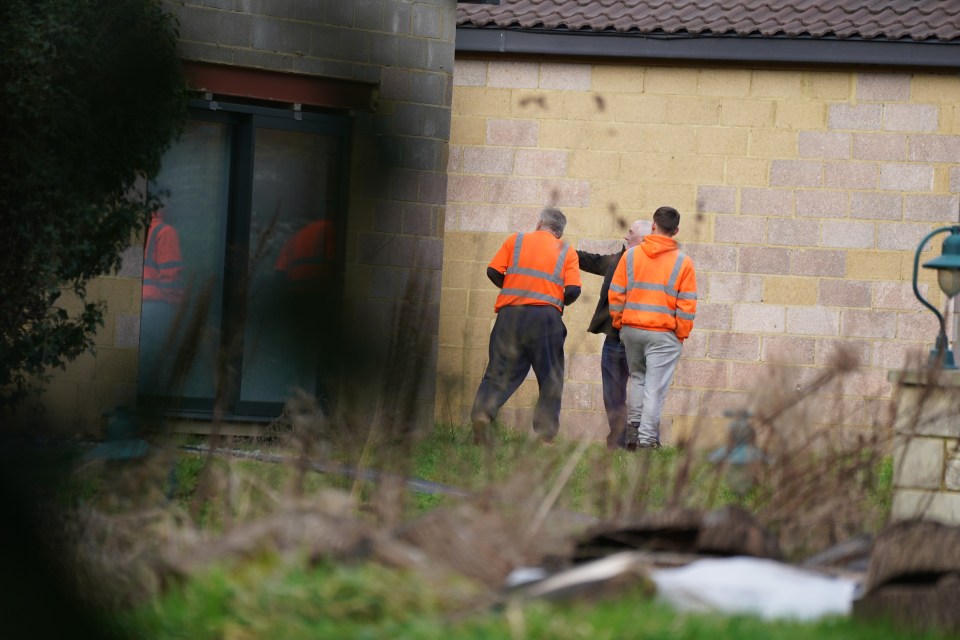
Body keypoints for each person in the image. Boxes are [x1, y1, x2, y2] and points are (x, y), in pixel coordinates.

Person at [471, 207, 582, 444]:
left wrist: (513, 289)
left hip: (510, 315)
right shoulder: (567, 251)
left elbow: (493, 270)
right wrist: (554, 303)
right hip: (546, 318)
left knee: (498, 370)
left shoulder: (516, 240)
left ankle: (483, 413)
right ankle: (545, 437)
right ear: (559, 233)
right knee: (550, 375)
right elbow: (573, 290)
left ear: (540, 222)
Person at [609, 206, 697, 450]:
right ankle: (647, 441)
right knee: (655, 389)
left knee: (638, 379)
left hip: (632, 329)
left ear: (653, 225)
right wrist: (681, 333)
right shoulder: (684, 262)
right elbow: (687, 303)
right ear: (676, 230)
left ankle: (633, 434)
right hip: (663, 333)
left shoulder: (631, 255)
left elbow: (616, 293)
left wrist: (620, 322)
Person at [576, 219, 650, 450]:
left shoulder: (653, 266)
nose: (626, 236)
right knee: (613, 394)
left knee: (644, 391)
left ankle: (640, 440)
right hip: (614, 340)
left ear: (645, 239)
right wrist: (560, 250)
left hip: (639, 340)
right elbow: (593, 261)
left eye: (631, 232)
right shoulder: (617, 260)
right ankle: (618, 441)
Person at [140, 208, 184, 394]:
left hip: (138, 306)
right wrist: (178, 305)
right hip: (158, 307)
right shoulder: (166, 232)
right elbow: (170, 275)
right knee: (163, 361)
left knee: (141, 361)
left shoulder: (138, 229)